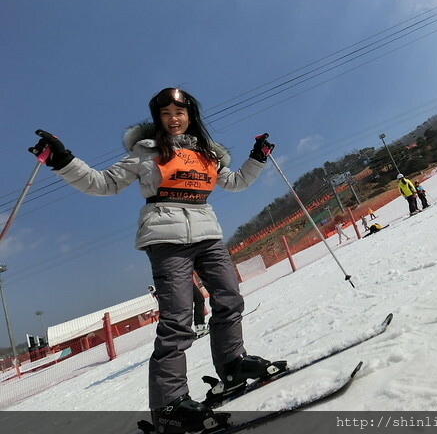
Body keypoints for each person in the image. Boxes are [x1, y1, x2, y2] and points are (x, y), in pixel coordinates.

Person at [28, 87, 279, 432]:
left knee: (230, 298)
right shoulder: (145, 154)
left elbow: (235, 183)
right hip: (165, 238)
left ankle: (233, 365)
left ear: (190, 116)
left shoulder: (207, 154)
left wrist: (258, 157)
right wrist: (62, 160)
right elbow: (103, 184)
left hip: (207, 234)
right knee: (177, 320)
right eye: (165, 114)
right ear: (157, 119)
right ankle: (169, 405)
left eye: (179, 112)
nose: (173, 119)